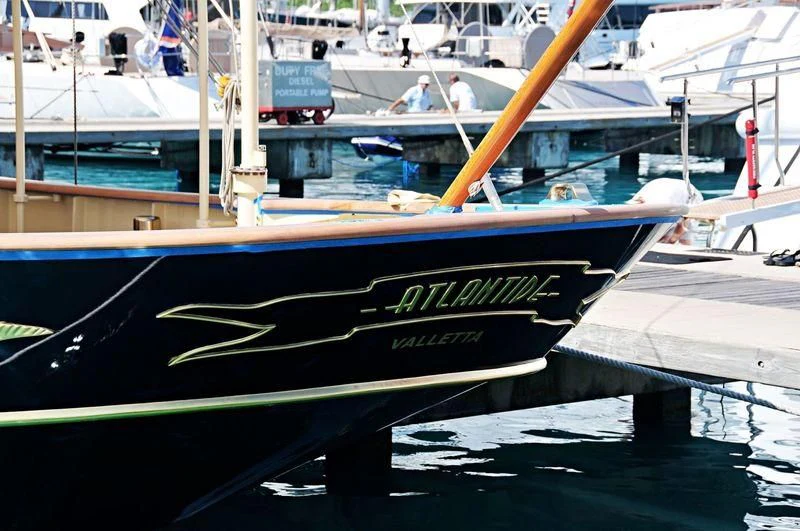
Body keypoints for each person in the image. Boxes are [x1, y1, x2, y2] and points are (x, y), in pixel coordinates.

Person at [627, 178, 704, 244]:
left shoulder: (664, 208)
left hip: (690, 194)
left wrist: (672, 239)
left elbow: (682, 226)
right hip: (665, 188)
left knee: (683, 239)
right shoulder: (634, 205)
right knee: (661, 236)